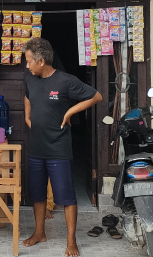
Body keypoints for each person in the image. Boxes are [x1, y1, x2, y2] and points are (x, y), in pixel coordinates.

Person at [21, 38, 102, 257]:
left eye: (29, 61)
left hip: (59, 149)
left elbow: (96, 96)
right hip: (36, 148)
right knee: (37, 194)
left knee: (66, 196)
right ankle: (39, 233)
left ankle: (71, 241)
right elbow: (28, 97)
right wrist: (28, 117)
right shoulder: (30, 79)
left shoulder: (66, 81)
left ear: (41, 60)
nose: (27, 66)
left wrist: (69, 112)